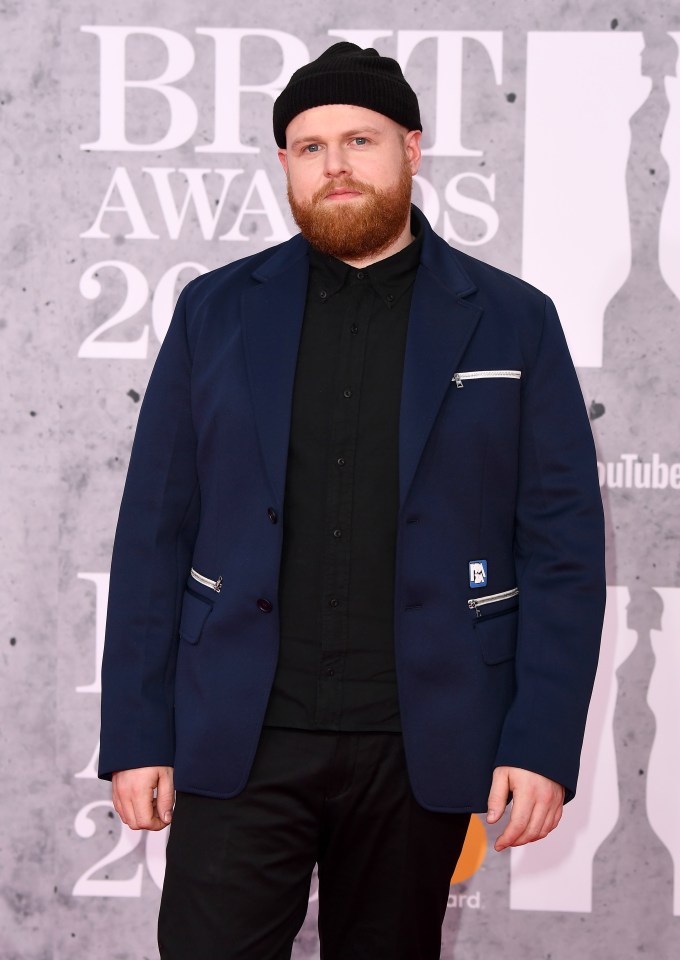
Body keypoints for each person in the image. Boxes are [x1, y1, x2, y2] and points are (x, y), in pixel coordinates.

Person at [99, 42, 606, 960]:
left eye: (360, 139)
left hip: (423, 743)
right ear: (285, 164)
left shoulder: (512, 318)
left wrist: (540, 743)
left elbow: (564, 549)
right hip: (239, 737)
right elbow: (153, 533)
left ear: (411, 149)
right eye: (308, 145)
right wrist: (137, 734)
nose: (335, 163)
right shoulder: (215, 310)